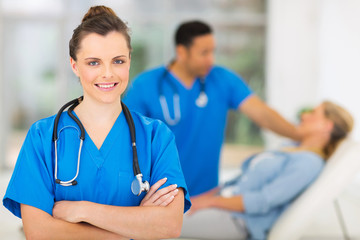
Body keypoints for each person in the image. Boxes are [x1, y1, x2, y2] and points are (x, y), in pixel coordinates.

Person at [3, 6, 191, 240]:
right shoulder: (43, 136)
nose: (108, 73)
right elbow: (38, 231)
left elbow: (169, 225)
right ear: (74, 66)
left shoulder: (156, 137)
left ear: (129, 61)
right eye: (94, 63)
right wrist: (134, 226)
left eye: (118, 61)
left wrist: (82, 210)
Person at [123, 20, 303, 197]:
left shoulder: (222, 80)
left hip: (206, 198)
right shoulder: (145, 85)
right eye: (204, 53)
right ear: (181, 52)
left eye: (212, 51)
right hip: (161, 196)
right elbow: (125, 137)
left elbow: (263, 114)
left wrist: (300, 135)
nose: (211, 59)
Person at [179, 101, 354, 240]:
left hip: (238, 219)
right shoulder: (291, 147)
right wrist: (204, 198)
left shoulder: (308, 163)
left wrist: (210, 203)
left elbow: (263, 201)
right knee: (161, 210)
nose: (304, 115)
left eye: (313, 113)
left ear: (327, 126)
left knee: (159, 221)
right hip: (222, 203)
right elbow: (241, 181)